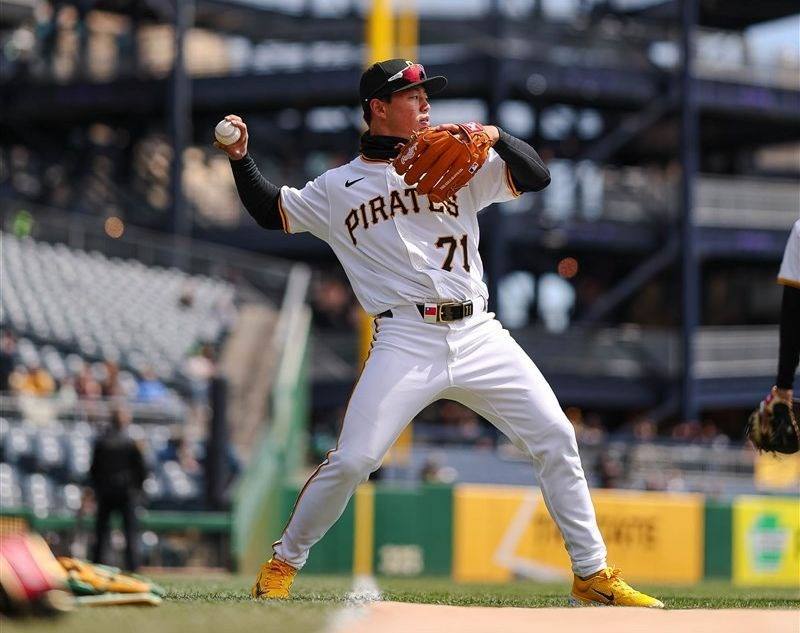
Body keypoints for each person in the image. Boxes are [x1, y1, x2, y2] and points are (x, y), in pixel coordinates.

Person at [218, 58, 663, 607]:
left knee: (557, 437)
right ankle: (283, 563)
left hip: (479, 332)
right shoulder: (337, 187)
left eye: (428, 95)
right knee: (354, 459)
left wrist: (495, 135)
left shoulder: (460, 159)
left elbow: (536, 176)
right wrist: (241, 160)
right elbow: (271, 211)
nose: (426, 104)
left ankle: (591, 574)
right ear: (378, 108)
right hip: (406, 338)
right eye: (412, 97)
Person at [89, 407, 147, 571]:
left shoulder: (101, 441)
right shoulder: (131, 443)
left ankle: (98, 565)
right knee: (130, 533)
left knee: (102, 532)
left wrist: (96, 489)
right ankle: (133, 567)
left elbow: (93, 469)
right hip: (126, 493)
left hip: (105, 493)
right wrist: (137, 489)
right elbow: (141, 470)